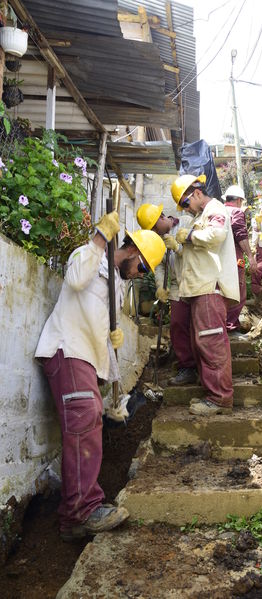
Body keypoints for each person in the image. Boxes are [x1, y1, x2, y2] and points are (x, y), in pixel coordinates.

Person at [35, 211, 166, 540]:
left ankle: (77, 513)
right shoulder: (89, 256)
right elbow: (75, 279)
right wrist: (98, 238)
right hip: (68, 349)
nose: (140, 275)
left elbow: (99, 321)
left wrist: (112, 344)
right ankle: (82, 511)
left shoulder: (118, 284)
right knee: (85, 418)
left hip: (86, 358)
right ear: (133, 252)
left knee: (90, 419)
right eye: (143, 268)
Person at [170, 174, 239, 416]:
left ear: (197, 193)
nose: (186, 210)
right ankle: (213, 394)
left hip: (211, 287)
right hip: (201, 289)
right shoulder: (200, 215)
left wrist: (188, 236)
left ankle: (219, 400)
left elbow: (216, 236)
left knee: (211, 343)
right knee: (203, 342)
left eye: (186, 203)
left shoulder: (214, 208)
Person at [136, 203, 197, 385]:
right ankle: (187, 367)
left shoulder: (187, 222)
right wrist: (159, 286)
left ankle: (203, 366)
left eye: (155, 227)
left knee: (198, 326)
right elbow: (161, 264)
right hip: (177, 286)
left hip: (196, 282)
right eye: (151, 230)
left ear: (162, 217)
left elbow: (198, 254)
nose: (154, 231)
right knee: (177, 325)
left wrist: (178, 247)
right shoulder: (158, 239)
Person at [222, 185, 257, 336]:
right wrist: (250, 256)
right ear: (238, 200)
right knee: (238, 292)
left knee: (223, 293)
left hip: (219, 260)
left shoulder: (219, 211)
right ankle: (230, 327)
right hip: (234, 258)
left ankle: (222, 326)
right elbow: (241, 235)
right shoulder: (236, 212)